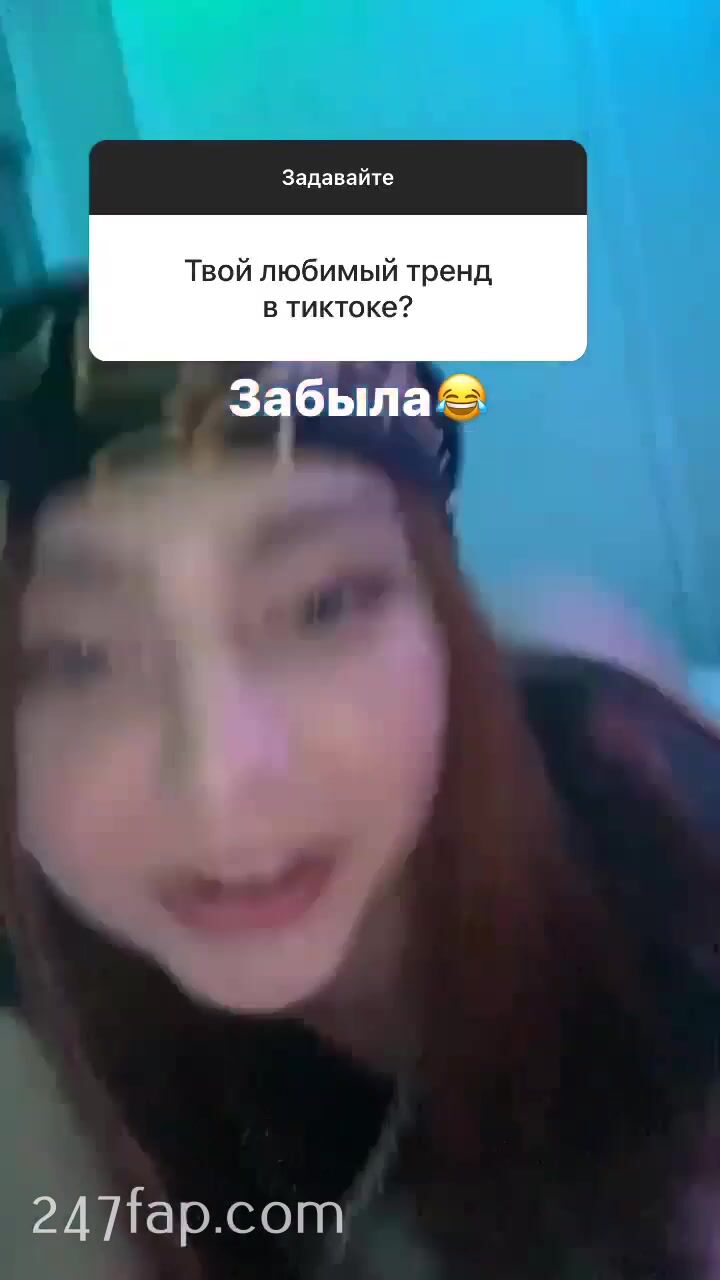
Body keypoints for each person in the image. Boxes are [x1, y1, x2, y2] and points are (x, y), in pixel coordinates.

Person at [2, 278, 720, 1280]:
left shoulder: (635, 801)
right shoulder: (32, 1047)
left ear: (445, 618)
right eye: (76, 656)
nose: (222, 781)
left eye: (325, 603)